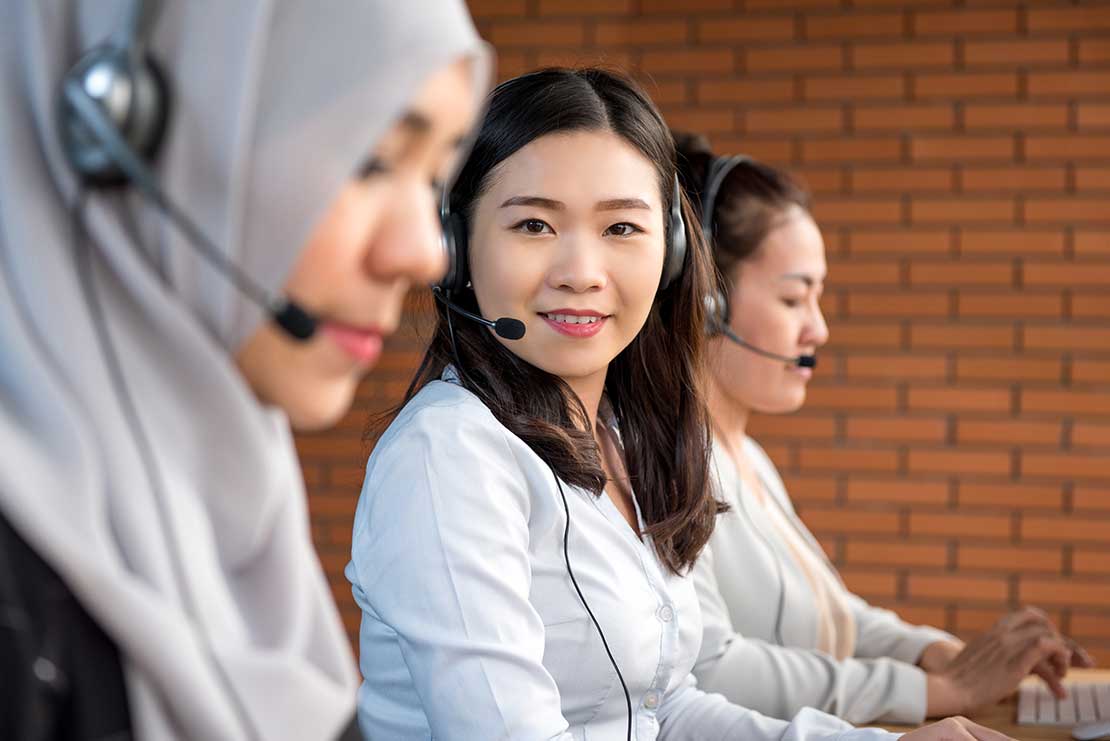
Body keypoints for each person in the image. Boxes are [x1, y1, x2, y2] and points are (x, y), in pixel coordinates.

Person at [347, 67, 1018, 741]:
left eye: (621, 228)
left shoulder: (626, 439)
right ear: (458, 247)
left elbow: (668, 710)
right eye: (533, 223)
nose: (581, 270)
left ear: (668, 251)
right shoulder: (449, 454)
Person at [0, 1, 488, 738]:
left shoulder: (240, 516)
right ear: (112, 133)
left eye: (436, 178)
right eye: (372, 159)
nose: (427, 253)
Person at [674, 131, 1094, 727]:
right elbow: (707, 668)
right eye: (795, 299)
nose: (817, 329)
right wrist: (936, 691)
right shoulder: (672, 462)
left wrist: (940, 655)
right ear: (706, 300)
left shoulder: (747, 458)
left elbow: (828, 614)